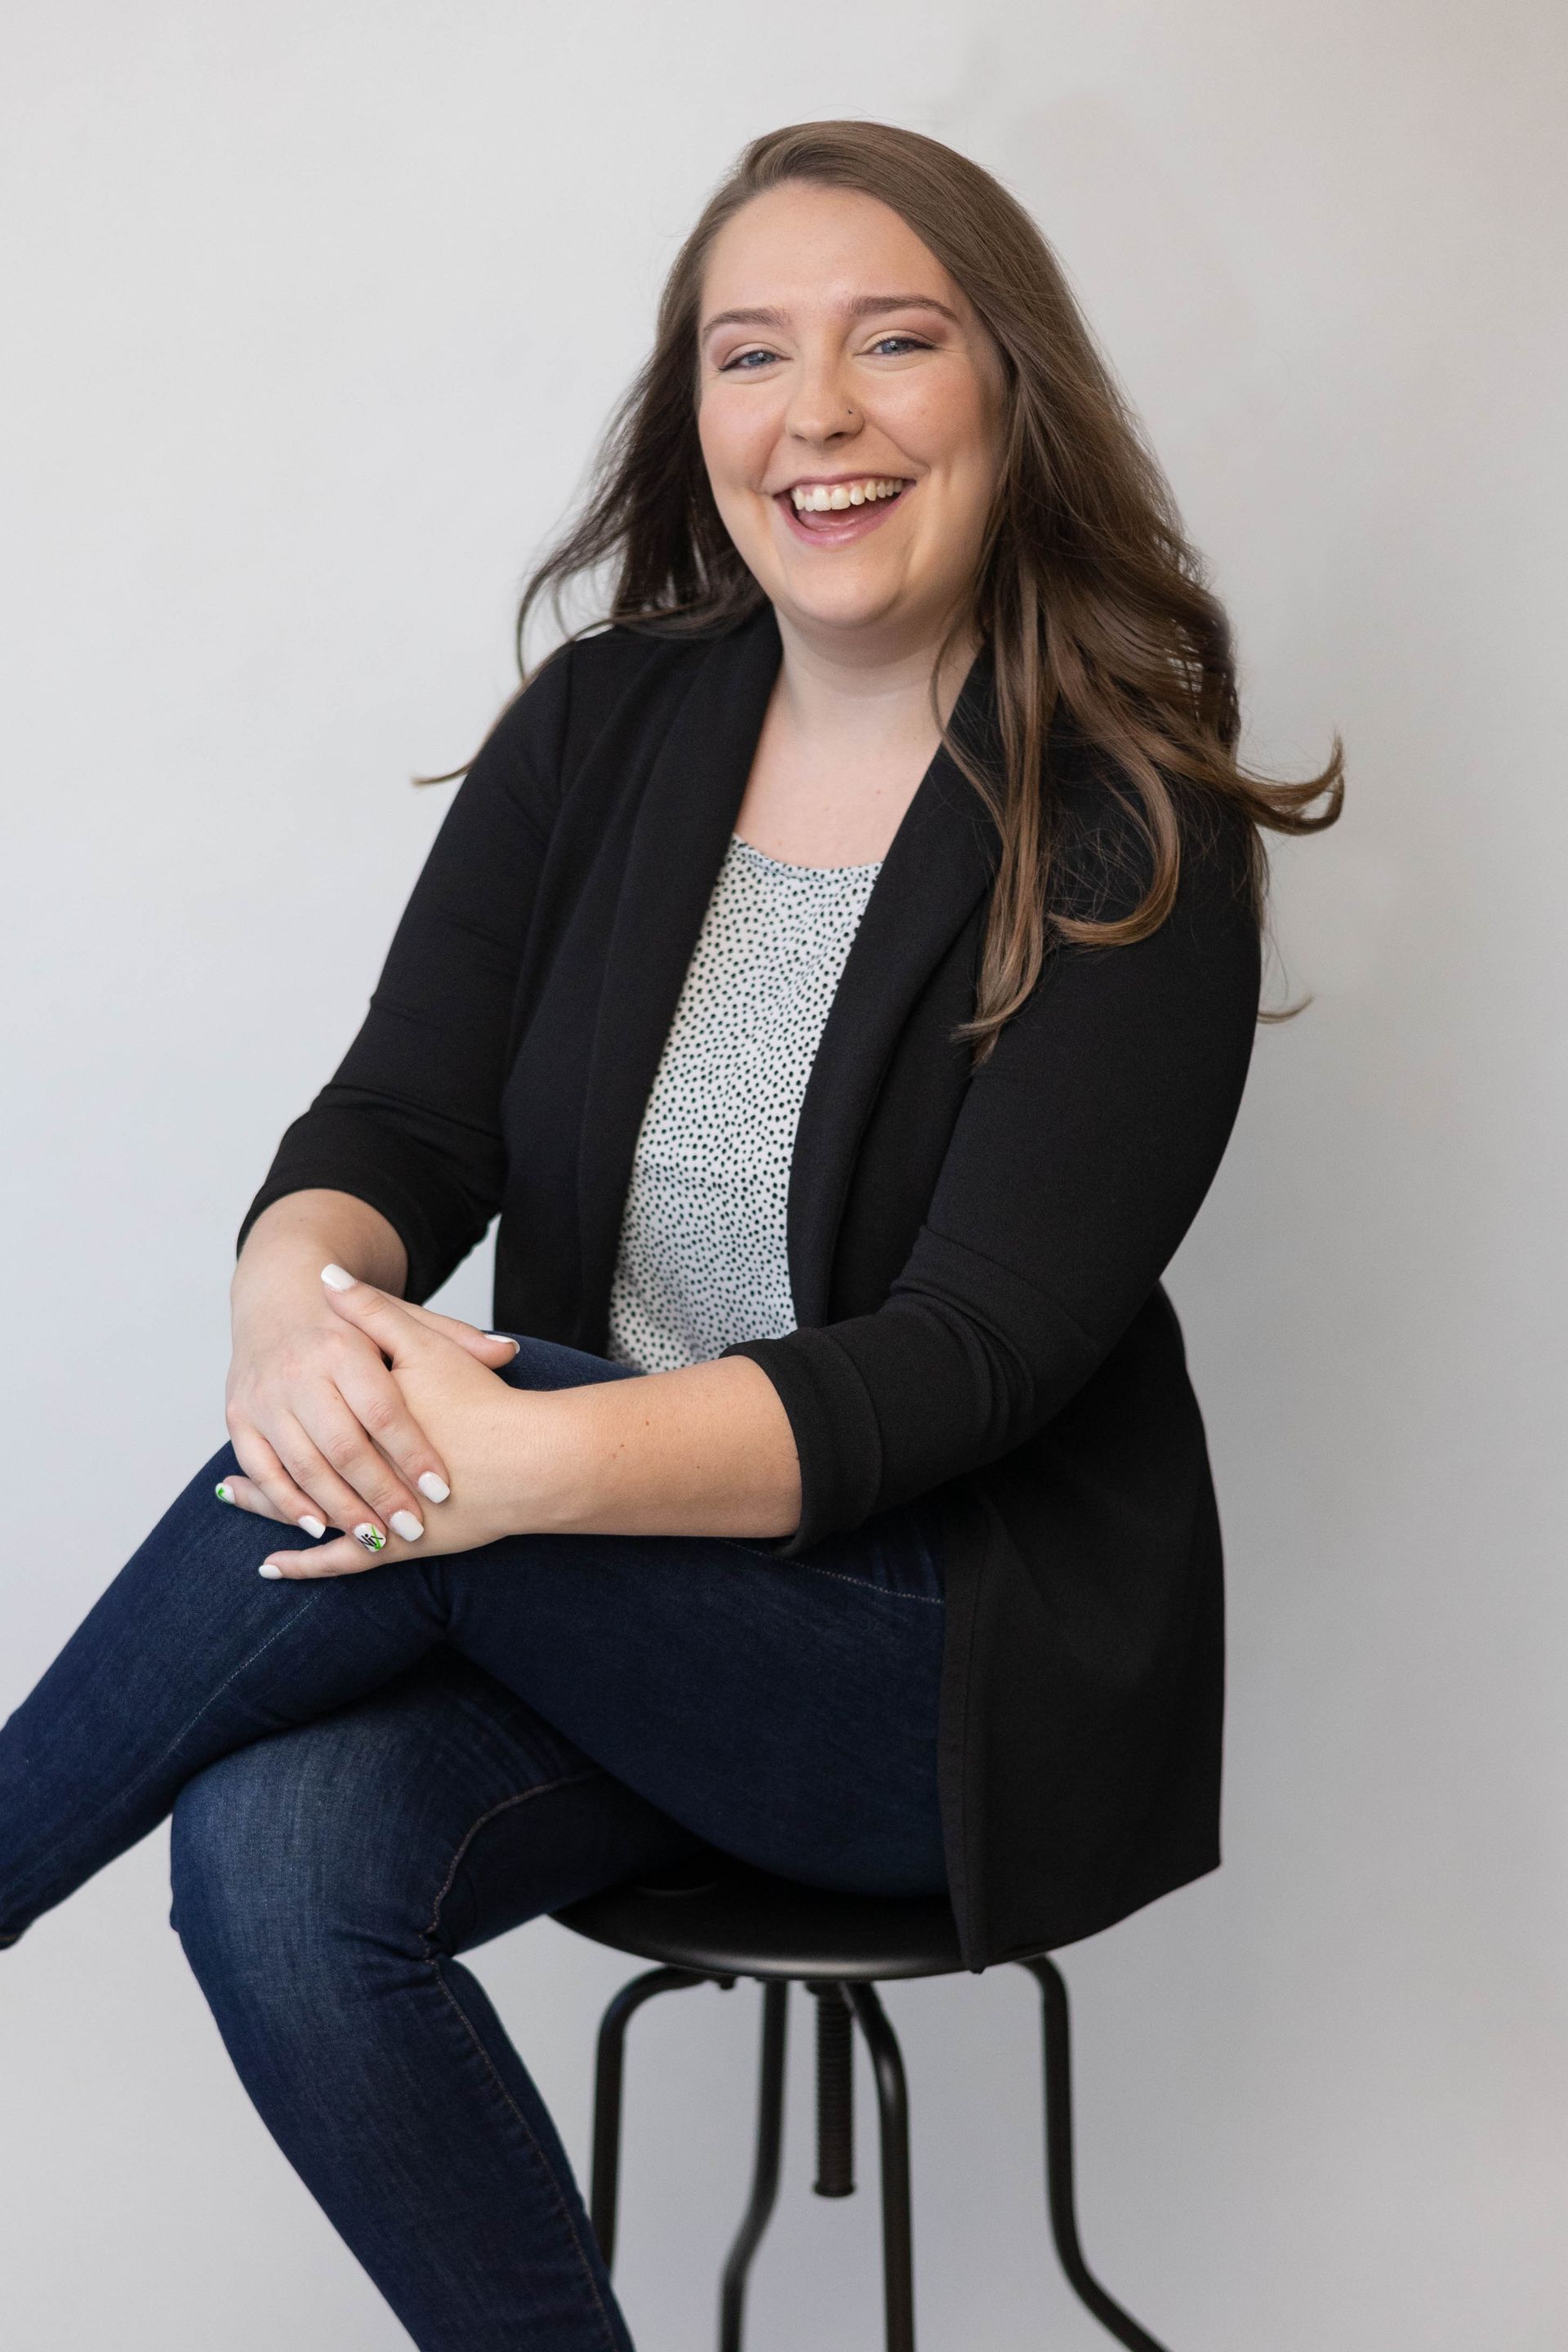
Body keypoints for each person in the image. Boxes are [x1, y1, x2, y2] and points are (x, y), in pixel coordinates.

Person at [0, 118, 1343, 2350]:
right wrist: (287, 1325)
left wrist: (508, 1463)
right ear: (692, 413)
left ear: (1009, 389)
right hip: (580, 1610)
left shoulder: (1131, 829)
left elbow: (970, 1361)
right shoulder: (610, 728)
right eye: (750, 355)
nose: (811, 413)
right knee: (272, 1859)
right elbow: (399, 1122)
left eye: (891, 341)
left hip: (923, 1670)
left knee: (445, 1445)